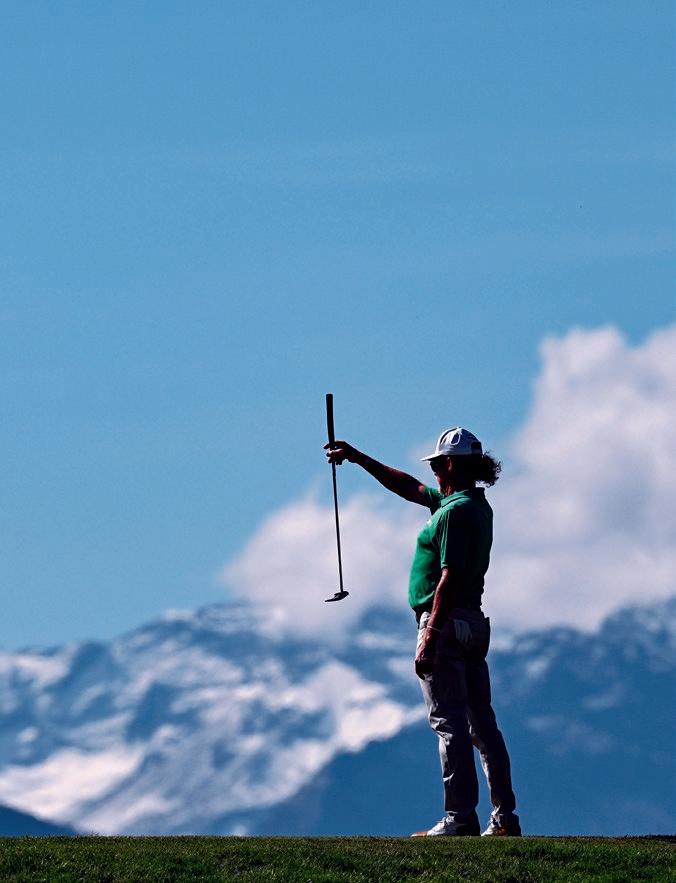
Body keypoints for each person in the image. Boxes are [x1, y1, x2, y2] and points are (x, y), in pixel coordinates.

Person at [325, 426, 521, 837]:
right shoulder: (473, 506)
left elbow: (448, 577)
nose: (432, 471)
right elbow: (409, 487)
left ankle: (460, 818)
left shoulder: (451, 514)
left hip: (444, 622)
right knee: (482, 725)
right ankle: (504, 819)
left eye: (436, 464)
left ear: (449, 464)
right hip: (473, 623)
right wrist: (358, 458)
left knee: (449, 723)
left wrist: (430, 632)